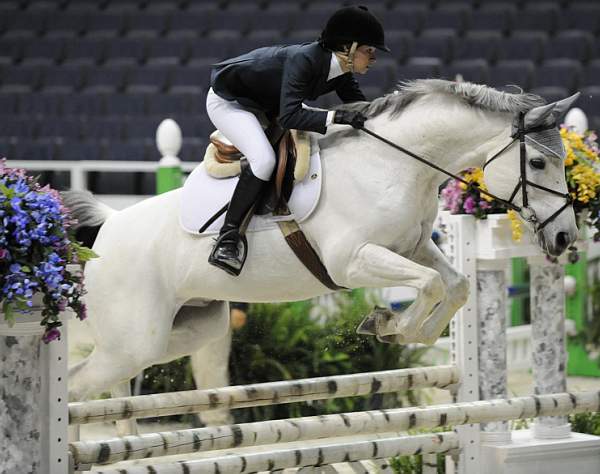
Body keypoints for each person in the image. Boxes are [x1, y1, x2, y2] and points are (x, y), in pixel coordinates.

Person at [206, 5, 390, 276]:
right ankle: (228, 238)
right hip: (231, 103)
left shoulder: (340, 71)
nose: (373, 59)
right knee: (264, 159)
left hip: (266, 104)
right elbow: (291, 117)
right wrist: (337, 117)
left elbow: (358, 106)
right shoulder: (305, 60)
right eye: (369, 51)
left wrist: (388, 113)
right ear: (347, 48)